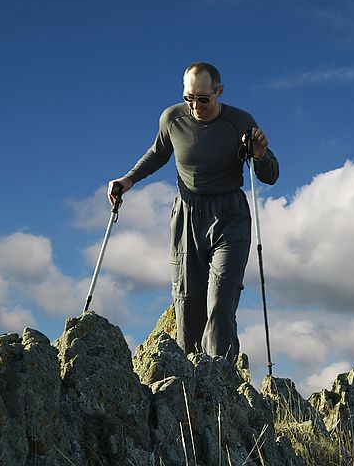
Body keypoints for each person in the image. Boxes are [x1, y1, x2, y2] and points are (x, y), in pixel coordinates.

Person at [107, 62, 279, 363]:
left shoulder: (240, 122)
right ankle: (188, 384)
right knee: (187, 302)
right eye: (189, 98)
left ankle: (220, 381)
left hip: (230, 216)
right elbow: (158, 153)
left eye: (203, 99)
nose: (195, 106)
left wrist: (260, 156)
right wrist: (129, 179)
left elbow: (271, 174)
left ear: (218, 92)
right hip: (187, 213)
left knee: (220, 301)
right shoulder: (172, 119)